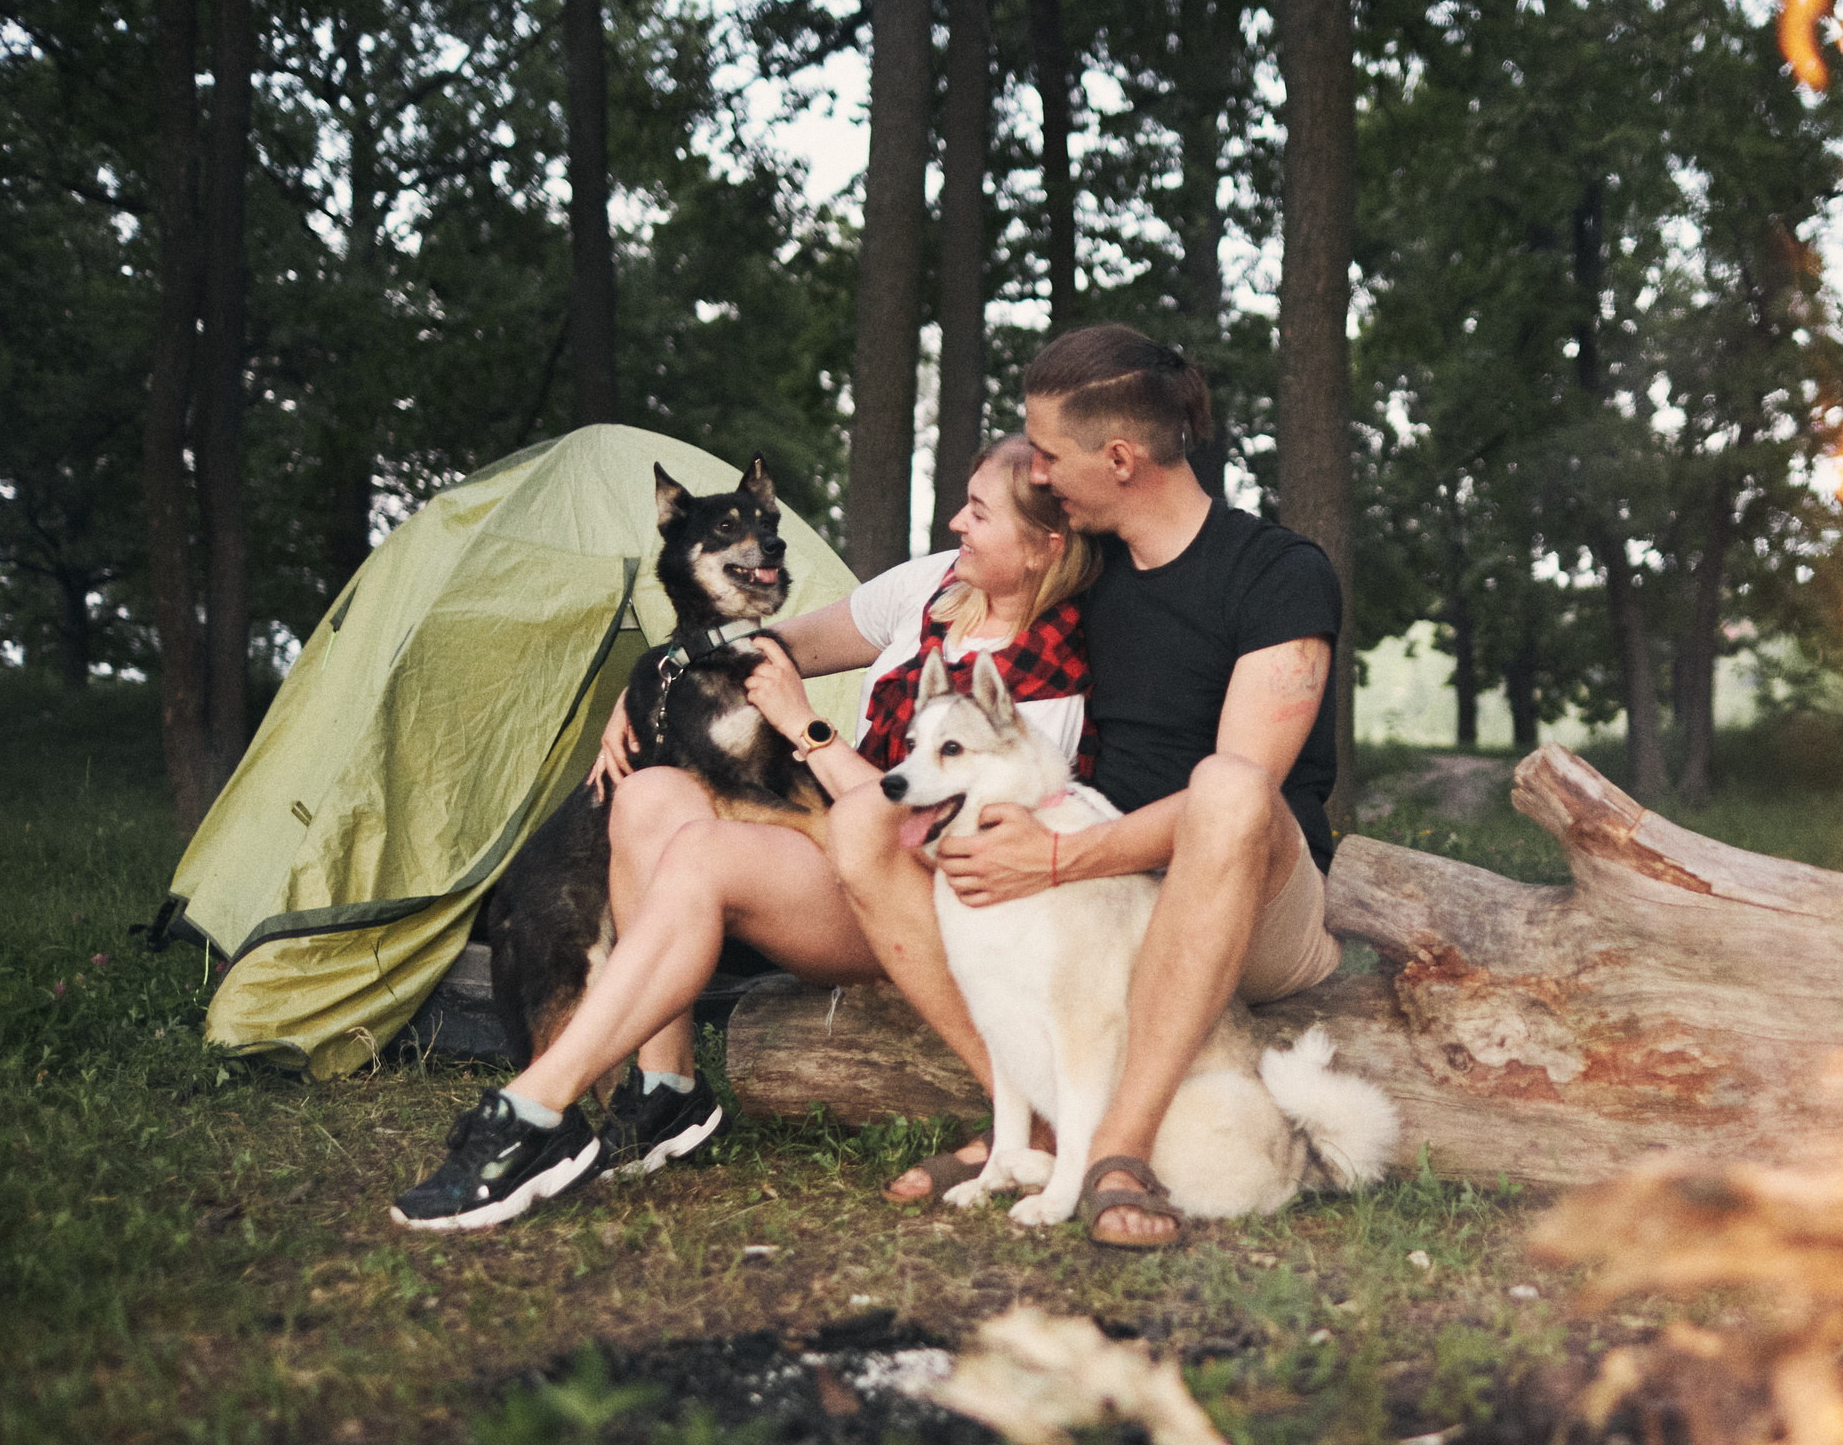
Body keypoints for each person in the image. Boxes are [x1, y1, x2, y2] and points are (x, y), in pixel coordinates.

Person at [390, 434, 1097, 1229]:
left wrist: (812, 734)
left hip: (930, 900)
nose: (956, 523)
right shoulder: (931, 586)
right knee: (650, 793)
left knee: (703, 852)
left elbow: (941, 838)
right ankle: (667, 1092)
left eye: (979, 513)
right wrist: (650, 681)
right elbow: (763, 645)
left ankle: (533, 1111)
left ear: (1045, 547)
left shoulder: (1046, 681)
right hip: (846, 856)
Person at [874, 323, 1345, 1245]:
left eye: (1048, 454)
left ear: (1120, 457)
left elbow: (1244, 800)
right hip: (1103, 894)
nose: (1039, 475)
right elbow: (890, 604)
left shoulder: (1278, 574)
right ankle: (1029, 1127)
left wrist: (1056, 858)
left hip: (1252, 902)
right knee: (869, 825)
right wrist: (724, 654)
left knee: (1227, 788)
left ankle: (1116, 1149)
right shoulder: (1086, 573)